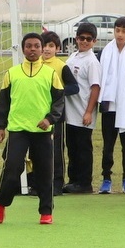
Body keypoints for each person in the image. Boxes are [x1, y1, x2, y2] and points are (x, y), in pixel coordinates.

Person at [0, 33, 65, 225]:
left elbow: (59, 101)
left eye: (36, 46)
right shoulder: (11, 73)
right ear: (23, 49)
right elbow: (3, 103)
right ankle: (0, 203)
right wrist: (0, 127)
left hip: (42, 132)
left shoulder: (50, 74)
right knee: (12, 168)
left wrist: (49, 119)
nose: (33, 49)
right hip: (18, 130)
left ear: (41, 49)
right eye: (29, 46)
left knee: (44, 172)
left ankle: (46, 211)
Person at [98, 16, 125, 194]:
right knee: (108, 145)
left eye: (124, 31)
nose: (120, 34)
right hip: (110, 105)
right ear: (114, 31)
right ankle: (106, 179)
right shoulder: (104, 53)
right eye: (118, 30)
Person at [62, 23, 102, 194]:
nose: (84, 42)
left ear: (94, 41)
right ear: (76, 39)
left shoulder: (92, 62)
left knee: (83, 149)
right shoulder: (73, 57)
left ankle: (85, 183)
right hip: (70, 113)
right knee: (72, 148)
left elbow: (95, 87)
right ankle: (74, 180)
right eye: (81, 38)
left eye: (88, 39)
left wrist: (88, 112)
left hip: (82, 113)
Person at [41, 31, 79, 196]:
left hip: (55, 115)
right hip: (36, 114)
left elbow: (74, 87)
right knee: (38, 150)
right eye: (44, 45)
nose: (47, 49)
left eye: (51, 46)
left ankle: (57, 184)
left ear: (57, 48)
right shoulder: (34, 64)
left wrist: (58, 91)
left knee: (55, 150)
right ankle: (37, 184)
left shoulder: (61, 66)